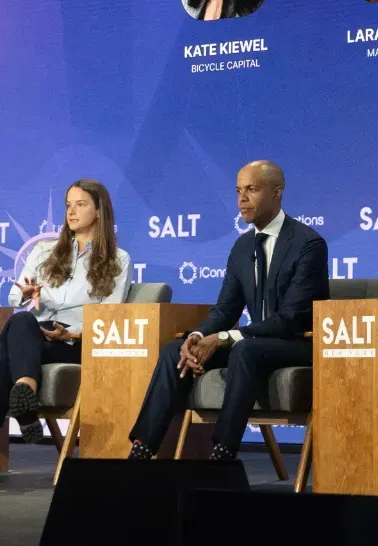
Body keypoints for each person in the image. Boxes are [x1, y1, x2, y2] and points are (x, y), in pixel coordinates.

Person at [125, 161, 327, 462]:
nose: (241, 199)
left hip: (297, 342)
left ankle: (223, 452)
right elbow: (225, 309)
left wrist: (224, 338)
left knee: (244, 350)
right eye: (238, 191)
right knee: (173, 350)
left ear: (277, 193)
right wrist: (197, 336)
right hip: (257, 342)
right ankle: (142, 449)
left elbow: (290, 318)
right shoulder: (242, 247)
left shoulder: (307, 244)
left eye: (252, 190)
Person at [0, 179, 133, 487]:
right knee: (21, 322)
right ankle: (25, 391)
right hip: (36, 336)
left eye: (80, 204)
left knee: (2, 351)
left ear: (100, 210)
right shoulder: (44, 252)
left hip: (76, 342)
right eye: (68, 205)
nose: (71, 212)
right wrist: (26, 294)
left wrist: (71, 333)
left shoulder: (118, 260)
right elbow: (13, 298)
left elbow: (109, 318)